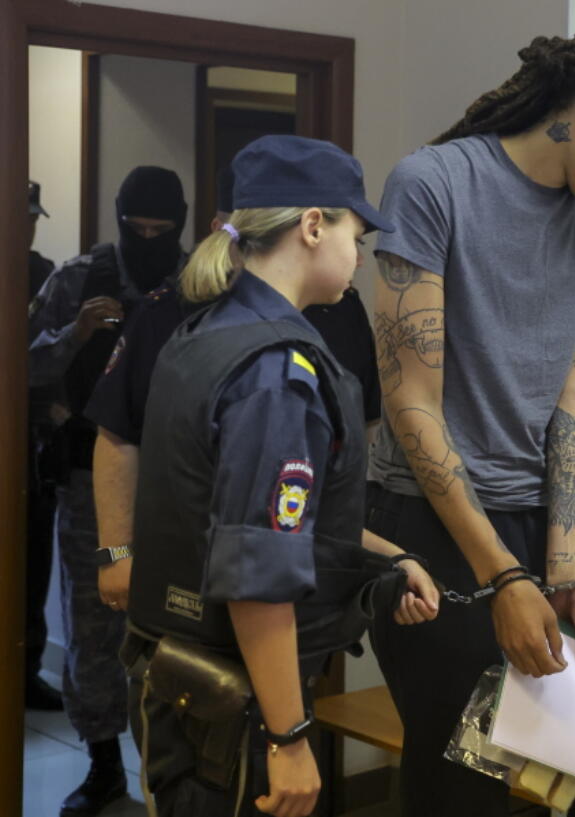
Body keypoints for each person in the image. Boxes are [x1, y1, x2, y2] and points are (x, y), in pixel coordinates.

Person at [366, 26, 575, 816]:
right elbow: (411, 399)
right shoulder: (433, 182)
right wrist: (502, 573)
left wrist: (567, 562)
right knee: (469, 774)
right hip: (428, 513)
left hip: (540, 510)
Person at [122, 134, 439, 817]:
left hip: (178, 677)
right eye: (357, 231)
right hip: (235, 702)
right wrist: (290, 735)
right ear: (313, 225)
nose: (361, 253)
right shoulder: (276, 373)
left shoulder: (204, 332)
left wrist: (389, 556)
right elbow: (256, 570)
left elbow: (257, 513)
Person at [86, 166, 383, 615]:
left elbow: (354, 439)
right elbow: (117, 432)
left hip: (304, 567)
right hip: (197, 571)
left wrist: (375, 551)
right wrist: (117, 551)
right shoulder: (171, 314)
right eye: (356, 240)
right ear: (311, 228)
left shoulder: (341, 310)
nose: (358, 258)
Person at [28, 166, 190, 817]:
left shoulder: (198, 279)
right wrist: (76, 336)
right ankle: (101, 764)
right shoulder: (78, 277)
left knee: (173, 622)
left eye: (161, 229)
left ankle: (170, 758)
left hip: (177, 480)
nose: (148, 238)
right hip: (89, 481)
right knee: (95, 625)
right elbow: (25, 365)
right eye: (136, 228)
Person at [24, 180, 64, 711]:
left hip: (33, 446)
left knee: (32, 563)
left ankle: (25, 668)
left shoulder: (42, 273)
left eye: (33, 216)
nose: (28, 224)